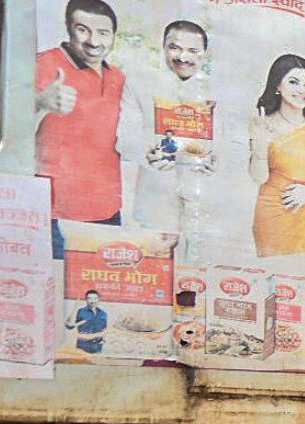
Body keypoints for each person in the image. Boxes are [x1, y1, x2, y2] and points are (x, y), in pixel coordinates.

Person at [36, 0, 126, 259]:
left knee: (101, 288)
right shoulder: (43, 64)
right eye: (83, 30)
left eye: (102, 33)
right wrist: (40, 103)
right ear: (68, 28)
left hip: (108, 211)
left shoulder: (119, 77)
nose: (93, 41)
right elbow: (10, 130)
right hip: (53, 214)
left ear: (113, 36)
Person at [117, 19, 218, 237]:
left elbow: (229, 143)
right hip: (155, 206)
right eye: (175, 48)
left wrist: (218, 159)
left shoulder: (217, 92)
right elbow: (124, 137)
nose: (183, 57)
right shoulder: (140, 84)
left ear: (204, 54)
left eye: (193, 50)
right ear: (163, 48)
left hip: (205, 209)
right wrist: (148, 154)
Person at [250, 54, 305, 258]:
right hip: (274, 220)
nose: (302, 90)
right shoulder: (264, 124)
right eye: (293, 82)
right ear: (277, 86)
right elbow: (259, 177)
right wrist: (259, 143)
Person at [65, 290, 107, 354]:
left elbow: (104, 330)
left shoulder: (103, 314)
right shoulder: (80, 311)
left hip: (98, 349)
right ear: (86, 300)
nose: (92, 301)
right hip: (82, 349)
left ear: (98, 299)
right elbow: (69, 326)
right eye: (89, 298)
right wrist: (75, 307)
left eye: (95, 298)